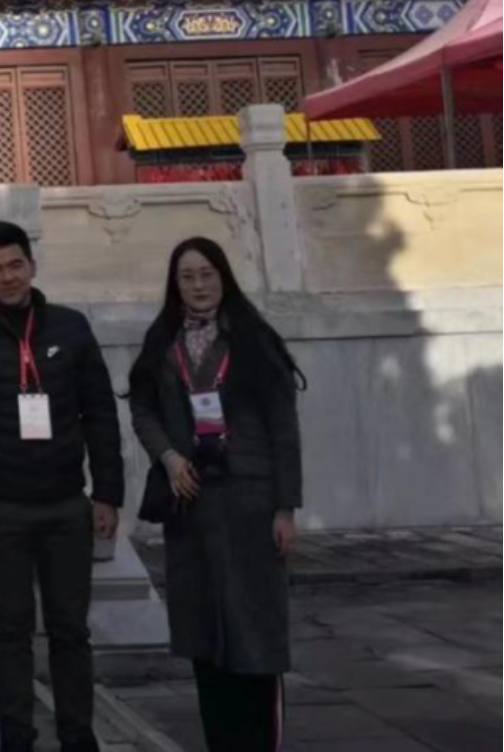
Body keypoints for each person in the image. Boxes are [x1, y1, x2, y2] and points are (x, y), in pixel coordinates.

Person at [0, 221, 123, 752]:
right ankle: (16, 736)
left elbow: (100, 414)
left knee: (71, 631)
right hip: (1, 509)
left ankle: (78, 736)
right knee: (10, 633)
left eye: (16, 265)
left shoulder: (70, 327)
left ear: (32, 266)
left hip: (67, 505)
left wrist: (107, 493)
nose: (8, 277)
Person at [129, 238, 304, 752]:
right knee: (205, 639)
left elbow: (283, 429)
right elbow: (143, 409)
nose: (198, 285)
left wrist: (285, 507)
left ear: (223, 276)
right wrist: (168, 456)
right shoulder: (163, 342)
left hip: (251, 505)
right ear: (174, 284)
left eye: (206, 274)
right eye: (187, 277)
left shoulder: (253, 339)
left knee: (255, 634)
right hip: (192, 506)